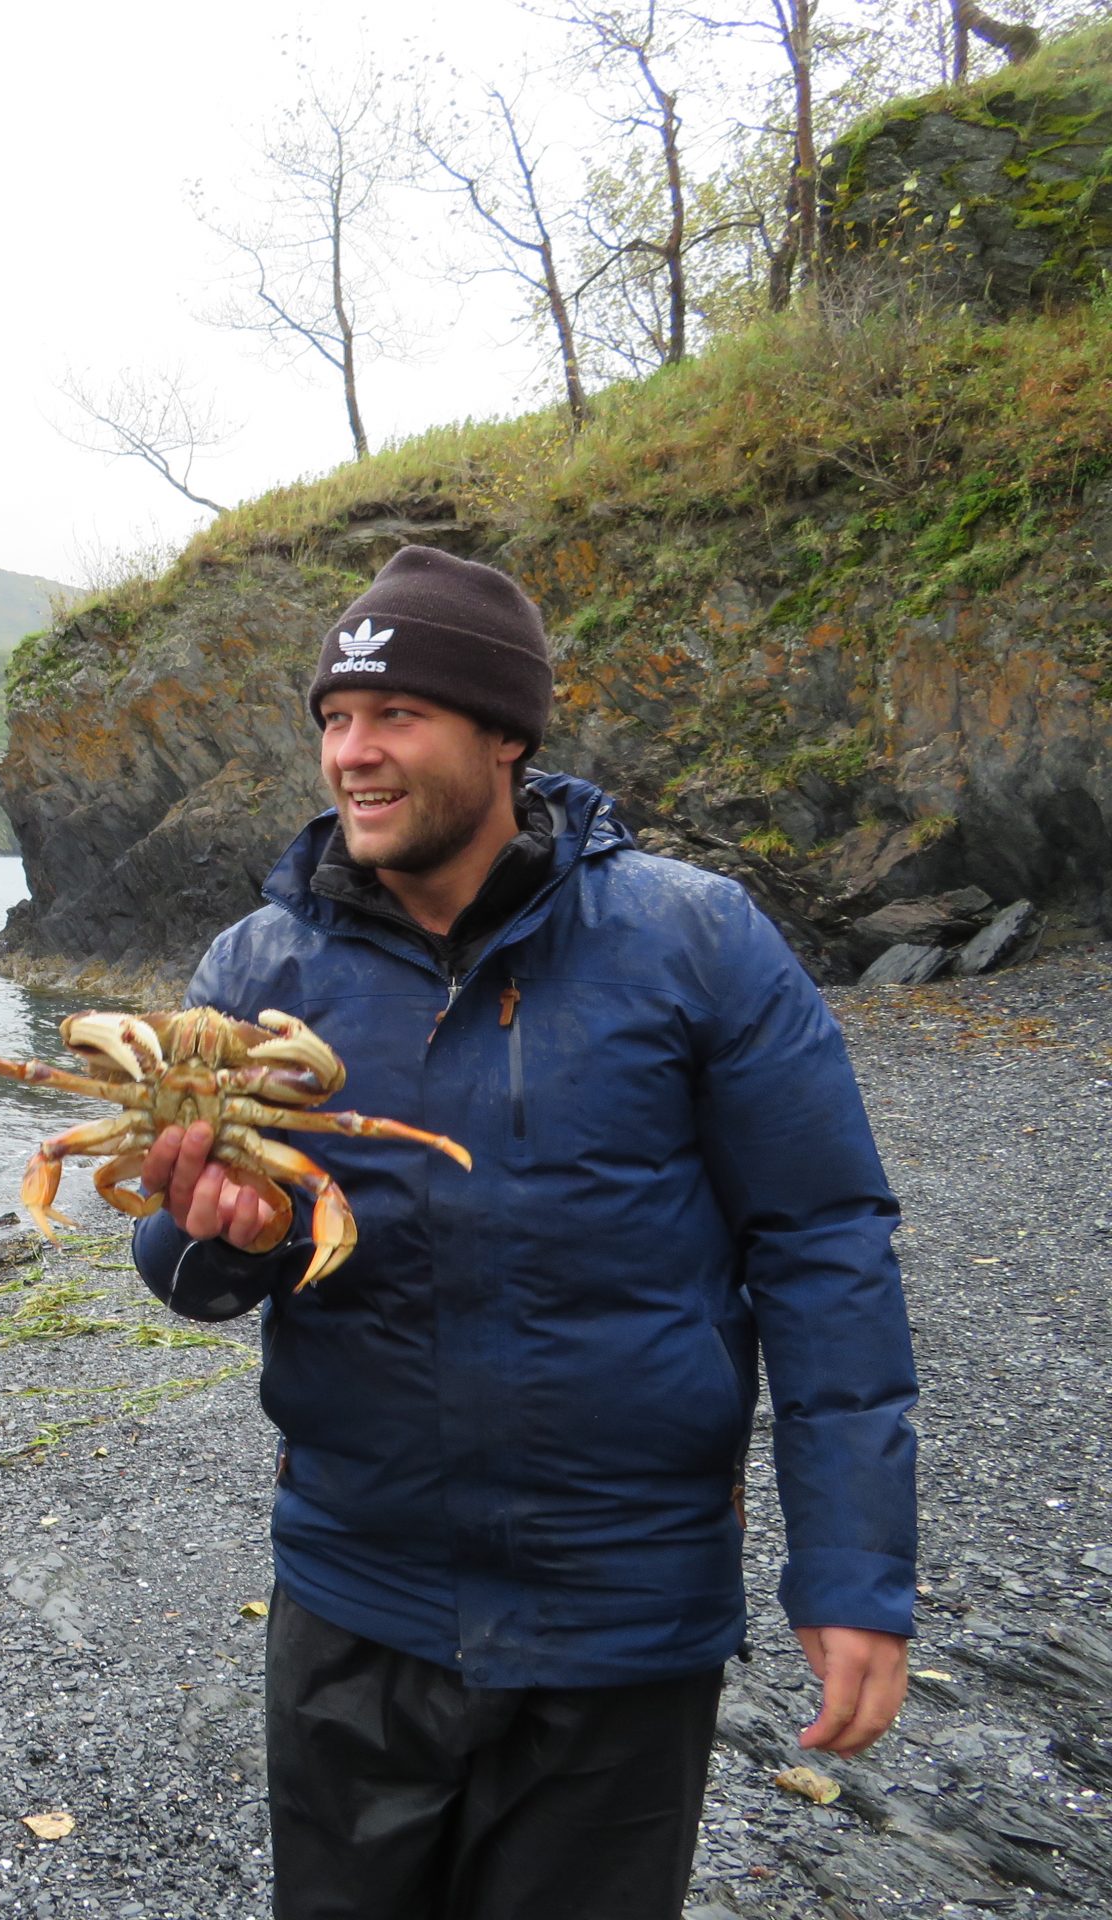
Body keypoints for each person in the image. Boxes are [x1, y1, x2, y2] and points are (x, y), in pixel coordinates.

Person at [128, 547, 917, 1920]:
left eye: (394, 717)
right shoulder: (259, 976)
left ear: (506, 735)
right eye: (331, 720)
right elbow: (185, 1272)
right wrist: (219, 1234)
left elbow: (823, 1244)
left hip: (618, 1622)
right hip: (356, 1600)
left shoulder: (694, 941)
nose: (351, 755)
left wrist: (853, 1569)